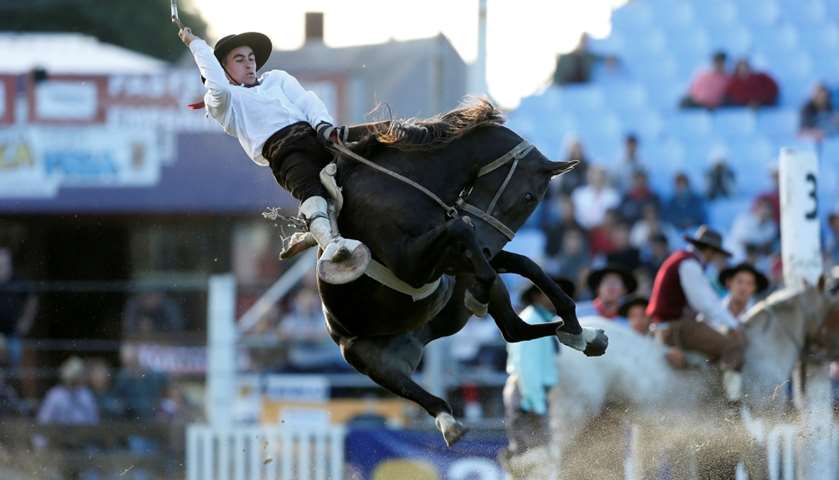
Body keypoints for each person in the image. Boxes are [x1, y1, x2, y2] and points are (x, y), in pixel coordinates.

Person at [179, 27, 371, 284]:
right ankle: (334, 246)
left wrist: (324, 125)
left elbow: (307, 101)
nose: (249, 64)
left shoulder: (277, 78)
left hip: (319, 136)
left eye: (251, 58)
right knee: (311, 191)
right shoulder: (224, 102)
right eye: (239, 59)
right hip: (285, 152)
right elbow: (218, 87)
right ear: (223, 69)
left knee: (375, 143)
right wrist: (195, 44)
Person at [646, 226, 744, 402]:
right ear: (709, 251)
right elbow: (704, 303)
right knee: (733, 348)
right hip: (675, 328)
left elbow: (704, 303)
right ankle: (733, 404)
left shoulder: (682, 260)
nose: (715, 258)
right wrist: (733, 325)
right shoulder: (689, 264)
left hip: (667, 325)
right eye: (715, 254)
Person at [499, 277, 574, 478]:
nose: (556, 297)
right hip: (528, 397)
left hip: (529, 395)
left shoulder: (540, 319)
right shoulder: (532, 320)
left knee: (531, 458)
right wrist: (536, 405)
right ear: (536, 295)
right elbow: (528, 366)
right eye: (549, 291)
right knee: (534, 458)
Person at [0, 248, 38, 373]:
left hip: (13, 332)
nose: (2, 266)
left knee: (14, 367)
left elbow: (32, 299)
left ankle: (10, 382)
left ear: (10, 264)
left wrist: (26, 321)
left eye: (5, 263)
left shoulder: (19, 282)